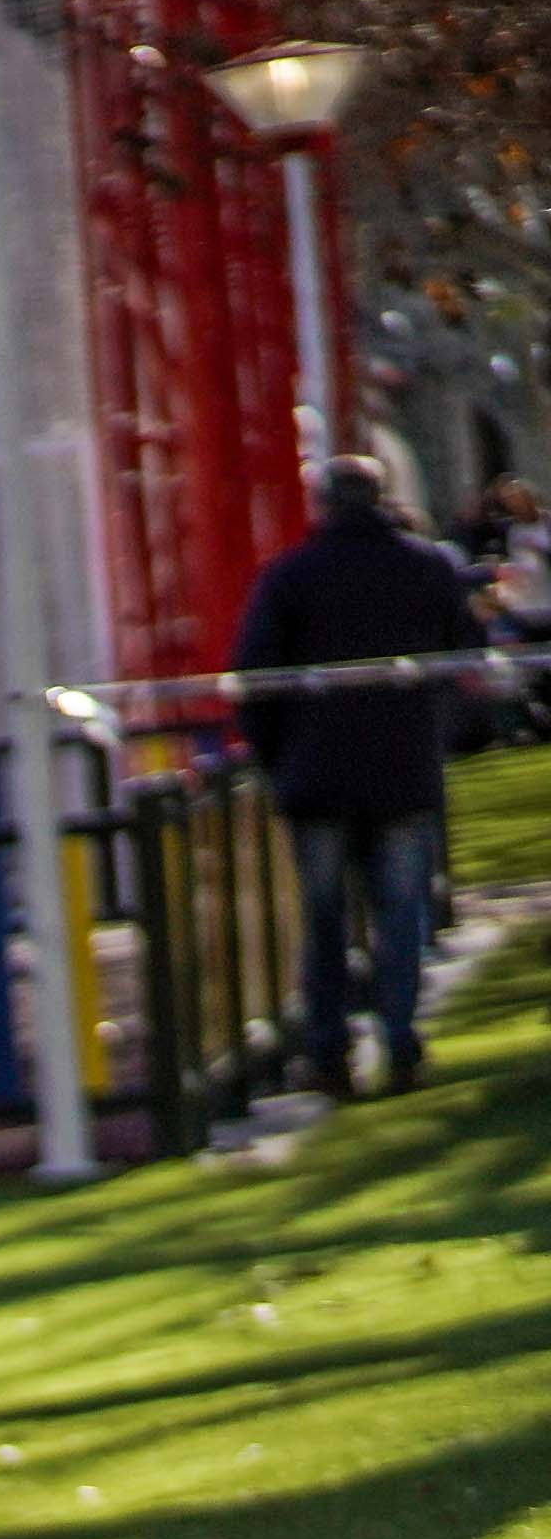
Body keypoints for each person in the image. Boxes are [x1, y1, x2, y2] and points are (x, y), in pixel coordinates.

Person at [233, 456, 483, 1096]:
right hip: (404, 769)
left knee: (323, 921)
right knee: (400, 914)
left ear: (322, 503)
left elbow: (256, 679)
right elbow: (465, 659)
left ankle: (328, 1051)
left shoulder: (290, 576)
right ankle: (399, 1039)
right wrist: (437, 736)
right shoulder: (427, 568)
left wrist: (276, 757)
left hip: (315, 775)